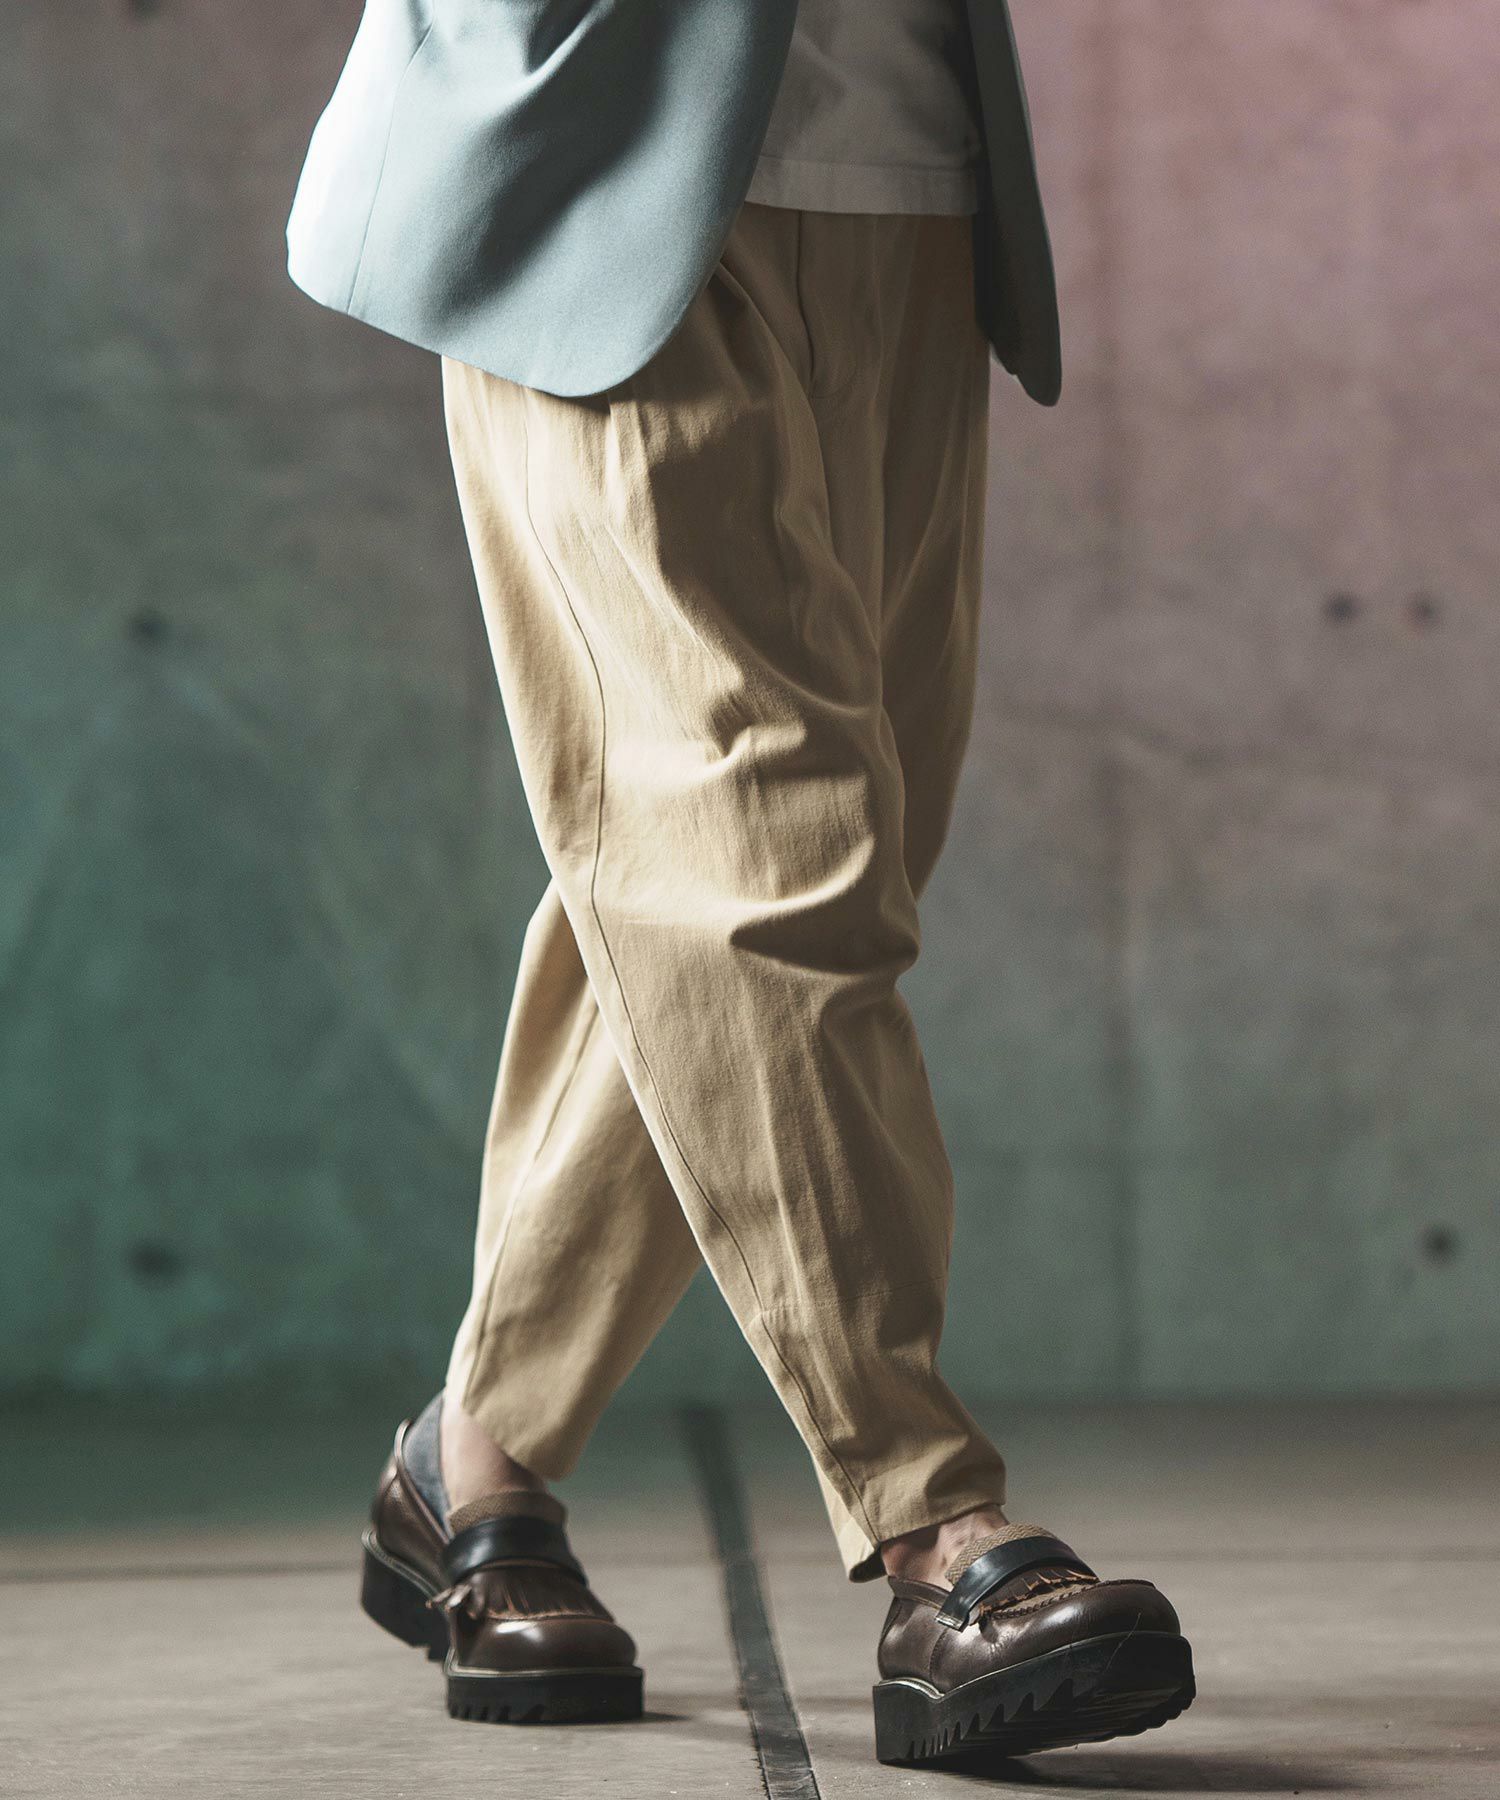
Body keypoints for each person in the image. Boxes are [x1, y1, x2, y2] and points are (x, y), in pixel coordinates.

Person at [286, 0, 1194, 1767]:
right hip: (601, 170)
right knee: (770, 854)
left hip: (909, 176)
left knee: (750, 869)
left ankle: (473, 1462)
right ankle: (935, 1530)